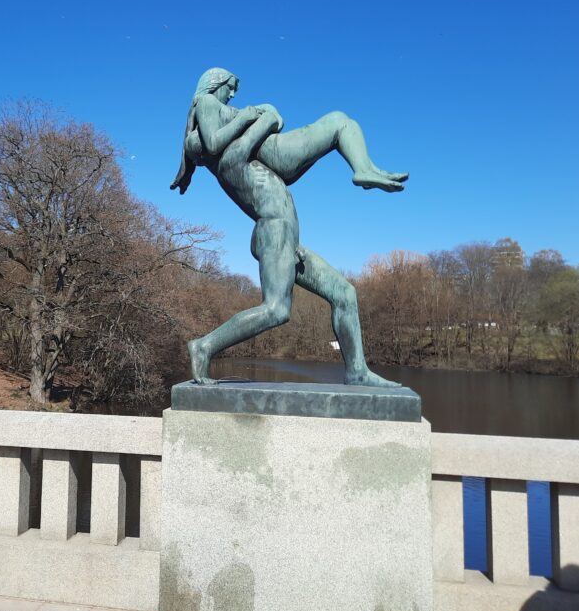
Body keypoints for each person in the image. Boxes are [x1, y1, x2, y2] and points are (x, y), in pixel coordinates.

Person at [171, 68, 406, 387]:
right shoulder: (229, 161)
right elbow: (224, 139)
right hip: (274, 233)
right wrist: (263, 118)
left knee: (345, 294)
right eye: (229, 90)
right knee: (276, 310)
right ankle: (204, 347)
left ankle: (357, 371)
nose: (233, 98)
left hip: (287, 238)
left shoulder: (249, 158)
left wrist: (265, 118)